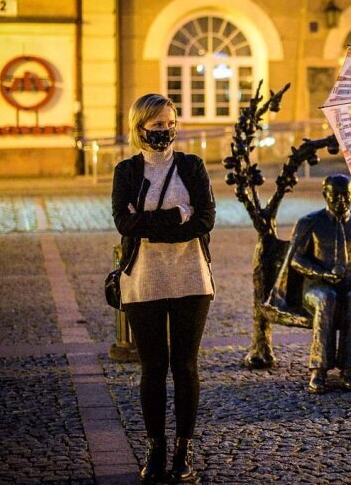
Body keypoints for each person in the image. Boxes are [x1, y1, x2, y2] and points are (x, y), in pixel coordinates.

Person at [111, 93, 215, 483]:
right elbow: (124, 223)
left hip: (191, 277)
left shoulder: (192, 165)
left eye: (170, 123)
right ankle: (155, 448)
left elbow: (205, 219)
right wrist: (176, 216)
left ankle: (183, 449)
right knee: (153, 368)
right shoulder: (127, 171)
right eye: (157, 125)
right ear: (140, 128)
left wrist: (153, 223)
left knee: (185, 366)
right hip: (144, 278)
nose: (165, 131)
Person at [286, 174, 351, 393]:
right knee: (327, 298)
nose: (341, 201)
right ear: (325, 195)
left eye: (346, 196)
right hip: (316, 287)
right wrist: (322, 273)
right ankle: (318, 369)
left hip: (349, 286)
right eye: (335, 196)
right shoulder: (310, 222)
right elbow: (296, 259)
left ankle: (350, 368)